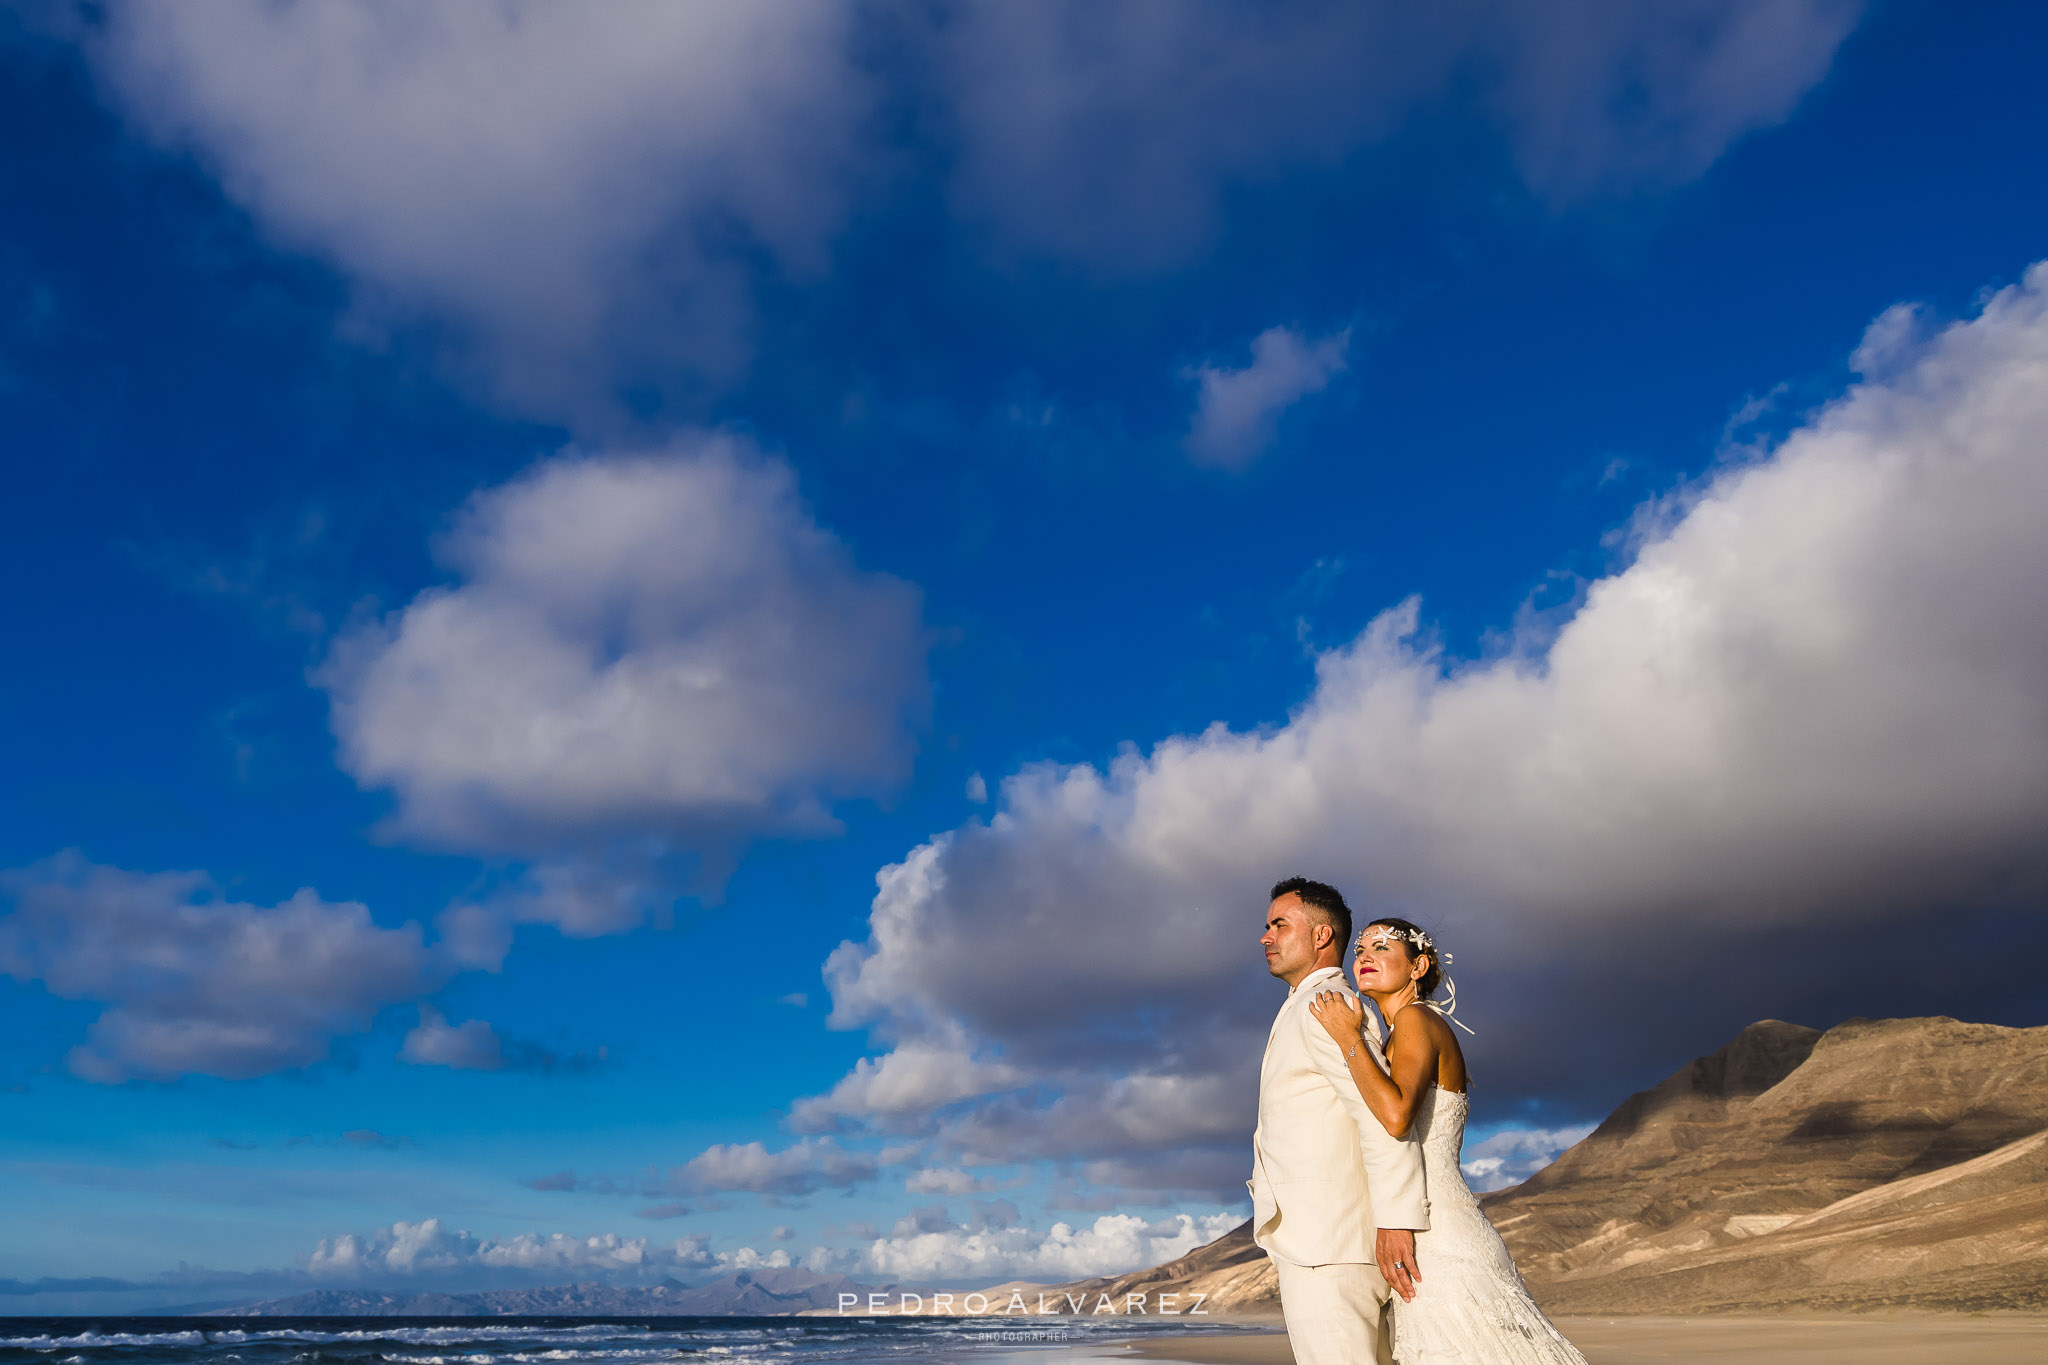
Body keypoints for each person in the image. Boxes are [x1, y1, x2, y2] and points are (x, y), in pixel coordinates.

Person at [1309, 919, 1591, 1365]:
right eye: (1360, 949)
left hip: (1438, 1235)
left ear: (1417, 966)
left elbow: (1397, 1116)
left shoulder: (1416, 1020)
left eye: (1382, 948)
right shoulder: (1401, 1031)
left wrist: (1347, 1039)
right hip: (1429, 1226)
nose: (1364, 957)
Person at [1251, 878, 1430, 1365]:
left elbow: (1381, 1119)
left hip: (1329, 1246)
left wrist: (1396, 1219)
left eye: (1279, 925)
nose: (1265, 937)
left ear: (1322, 935)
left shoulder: (1326, 1007)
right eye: (1267, 927)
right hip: (1329, 1242)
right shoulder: (1313, 1005)